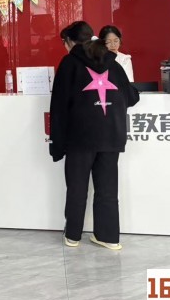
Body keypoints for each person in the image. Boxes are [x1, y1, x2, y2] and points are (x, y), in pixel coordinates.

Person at [49, 21, 139, 250]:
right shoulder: (113, 63)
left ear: (70, 42)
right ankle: (108, 237)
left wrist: (57, 144)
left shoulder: (69, 63)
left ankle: (73, 236)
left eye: (64, 42)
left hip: (80, 136)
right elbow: (131, 97)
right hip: (111, 135)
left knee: (77, 187)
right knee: (107, 189)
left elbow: (59, 106)